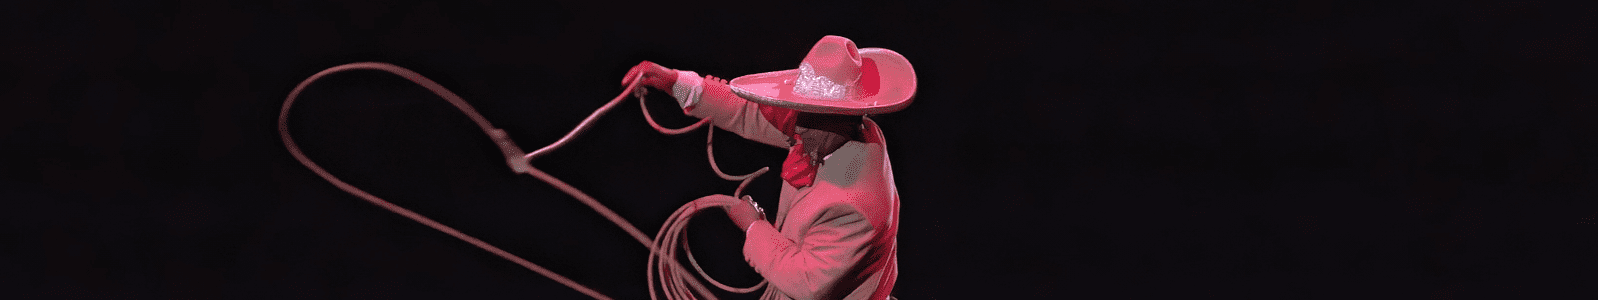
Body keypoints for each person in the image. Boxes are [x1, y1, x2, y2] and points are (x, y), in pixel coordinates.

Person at [622, 35, 914, 300]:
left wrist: (753, 227)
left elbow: (807, 282)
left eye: (810, 116)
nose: (797, 125)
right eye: (801, 110)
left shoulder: (858, 206)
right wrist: (675, 82)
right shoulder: (832, 133)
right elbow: (750, 110)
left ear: (845, 116)